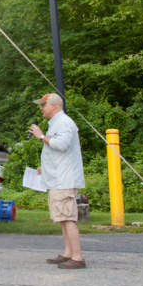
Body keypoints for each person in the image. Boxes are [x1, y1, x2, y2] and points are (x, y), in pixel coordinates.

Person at [29, 93, 86, 269]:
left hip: (64, 180)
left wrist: (40, 136)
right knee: (62, 218)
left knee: (68, 218)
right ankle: (68, 253)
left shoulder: (65, 123)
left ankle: (77, 257)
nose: (41, 108)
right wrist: (43, 168)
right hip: (57, 179)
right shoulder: (56, 123)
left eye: (43, 105)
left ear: (53, 105)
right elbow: (58, 151)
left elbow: (61, 145)